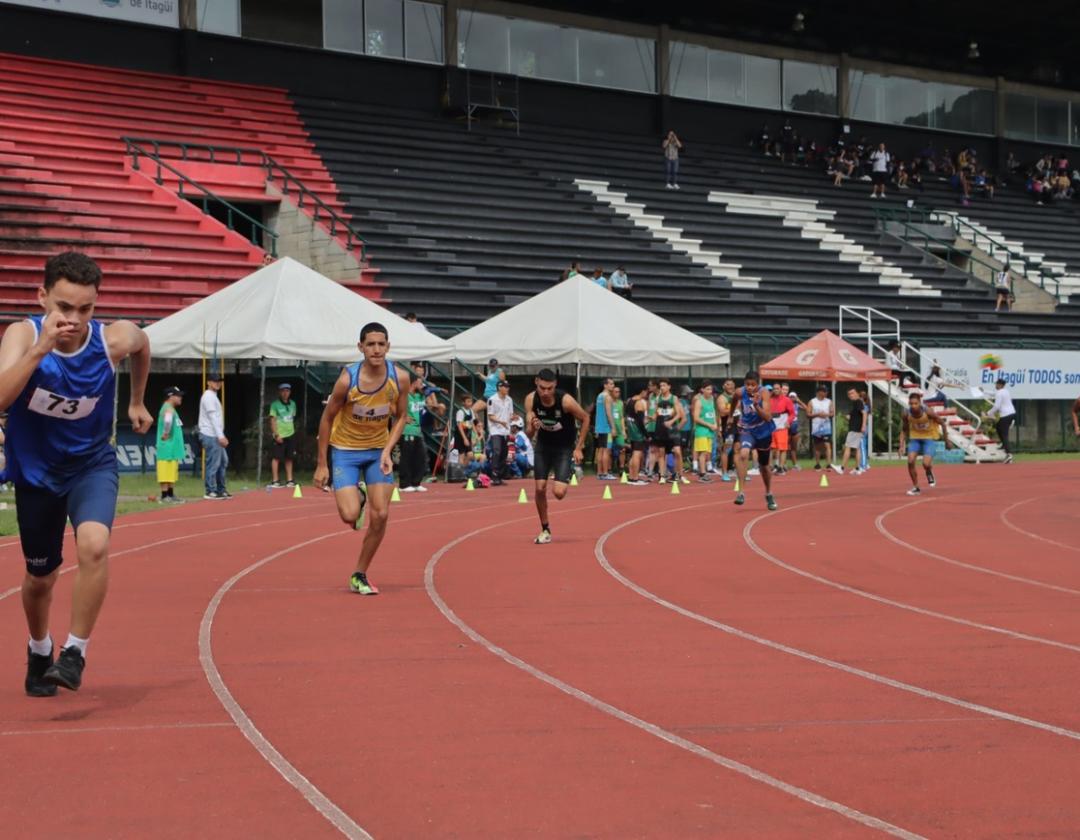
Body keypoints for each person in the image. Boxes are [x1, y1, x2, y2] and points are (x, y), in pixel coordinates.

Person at [0, 251, 152, 695]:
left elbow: (142, 344)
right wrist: (41, 349)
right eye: (64, 307)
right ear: (43, 297)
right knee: (40, 578)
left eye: (85, 309)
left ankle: (74, 652)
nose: (74, 318)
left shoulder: (112, 339)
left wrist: (137, 399)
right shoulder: (21, 334)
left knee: (95, 544)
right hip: (36, 473)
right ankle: (39, 646)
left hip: (90, 463)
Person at [314, 322, 410, 596]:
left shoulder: (399, 378)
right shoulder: (347, 379)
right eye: (371, 344)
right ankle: (359, 496)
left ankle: (359, 573)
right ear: (361, 347)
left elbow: (401, 415)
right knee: (350, 515)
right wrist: (322, 463)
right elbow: (327, 418)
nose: (376, 350)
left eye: (381, 344)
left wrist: (387, 450)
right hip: (344, 451)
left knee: (381, 515)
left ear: (388, 347)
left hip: (377, 451)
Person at [524, 369, 590, 544]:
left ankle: (572, 470)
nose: (545, 392)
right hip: (543, 447)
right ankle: (545, 529)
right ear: (536, 383)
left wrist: (579, 447)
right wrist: (532, 426)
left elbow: (585, 418)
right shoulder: (531, 400)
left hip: (564, 448)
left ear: (555, 385)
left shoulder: (566, 401)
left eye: (550, 388)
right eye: (542, 388)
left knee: (559, 493)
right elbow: (529, 434)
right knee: (539, 488)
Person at [732, 371, 777, 510]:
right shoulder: (740, 392)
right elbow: (734, 399)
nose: (750, 387)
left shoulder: (764, 393)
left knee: (764, 466)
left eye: (753, 385)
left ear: (758, 384)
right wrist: (730, 416)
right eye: (747, 385)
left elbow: (768, 417)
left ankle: (768, 493)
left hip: (763, 432)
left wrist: (757, 405)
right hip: (747, 429)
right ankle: (741, 492)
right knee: (743, 454)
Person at [899, 392, 945, 495]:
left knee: (926, 464)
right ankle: (916, 487)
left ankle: (928, 471)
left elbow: (942, 423)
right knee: (910, 461)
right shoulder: (906, 413)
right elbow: (904, 429)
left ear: (920, 403)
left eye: (915, 403)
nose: (913, 406)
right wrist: (901, 445)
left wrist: (947, 440)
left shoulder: (928, 412)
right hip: (915, 438)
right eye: (911, 404)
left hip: (929, 438)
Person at [198, 373, 230, 500]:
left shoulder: (213, 396)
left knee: (223, 461)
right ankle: (210, 490)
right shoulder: (208, 397)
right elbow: (213, 418)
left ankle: (220, 489)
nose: (218, 383)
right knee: (214, 463)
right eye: (215, 381)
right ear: (208, 382)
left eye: (220, 381)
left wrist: (220, 435)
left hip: (214, 434)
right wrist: (221, 436)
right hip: (210, 434)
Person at [651, 379, 686, 483]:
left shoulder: (674, 398)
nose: (662, 387)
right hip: (660, 427)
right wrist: (651, 417)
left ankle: (679, 474)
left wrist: (671, 422)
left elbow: (679, 414)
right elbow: (657, 412)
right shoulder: (658, 398)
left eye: (664, 385)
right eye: (661, 386)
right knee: (661, 453)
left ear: (669, 387)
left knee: (677, 452)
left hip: (672, 429)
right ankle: (662, 475)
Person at [155, 386, 185, 504]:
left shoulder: (171, 408)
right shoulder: (168, 408)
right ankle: (164, 496)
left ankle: (171, 494)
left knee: (171, 472)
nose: (180, 398)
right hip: (167, 447)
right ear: (171, 396)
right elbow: (168, 420)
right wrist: (166, 432)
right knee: (165, 471)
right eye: (178, 395)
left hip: (172, 447)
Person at [399, 373, 428, 492]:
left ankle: (416, 482)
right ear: (414, 382)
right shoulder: (404, 396)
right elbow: (392, 408)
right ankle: (404, 484)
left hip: (418, 431)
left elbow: (426, 405)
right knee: (407, 457)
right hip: (407, 430)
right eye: (420, 383)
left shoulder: (419, 396)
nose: (422, 385)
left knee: (421, 457)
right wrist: (401, 417)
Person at [268, 382, 298, 488]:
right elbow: (273, 420)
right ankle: (275, 480)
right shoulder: (275, 404)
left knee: (289, 457)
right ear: (280, 392)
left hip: (290, 433)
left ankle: (290, 480)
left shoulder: (293, 404)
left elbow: (292, 417)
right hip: (280, 434)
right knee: (276, 457)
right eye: (283, 391)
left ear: (290, 392)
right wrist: (276, 434)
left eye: (287, 391)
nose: (285, 393)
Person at [833, 388, 866, 475]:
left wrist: (863, 425)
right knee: (857, 448)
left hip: (855, 428)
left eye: (853, 393)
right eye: (849, 394)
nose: (851, 395)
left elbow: (864, 413)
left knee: (848, 447)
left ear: (857, 393)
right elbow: (855, 416)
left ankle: (842, 468)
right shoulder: (855, 403)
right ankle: (857, 468)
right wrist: (847, 417)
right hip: (856, 428)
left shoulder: (858, 402)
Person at [487, 378, 513, 485]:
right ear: (499, 387)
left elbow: (510, 413)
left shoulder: (509, 400)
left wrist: (512, 418)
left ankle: (500, 475)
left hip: (505, 430)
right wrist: (500, 421)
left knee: (504, 453)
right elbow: (490, 416)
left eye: (508, 387)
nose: (507, 389)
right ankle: (494, 475)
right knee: (497, 451)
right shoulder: (492, 399)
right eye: (505, 387)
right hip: (495, 430)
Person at [691, 380, 718, 482]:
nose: (710, 391)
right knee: (702, 452)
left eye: (711, 389)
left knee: (707, 452)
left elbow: (713, 413)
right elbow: (696, 418)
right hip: (701, 430)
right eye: (707, 389)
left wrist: (715, 423)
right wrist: (709, 425)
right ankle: (702, 473)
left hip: (710, 431)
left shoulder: (711, 399)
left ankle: (704, 471)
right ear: (702, 390)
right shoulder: (699, 401)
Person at [985, 377, 1016, 464]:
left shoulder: (999, 393)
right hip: (1012, 413)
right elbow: (993, 393)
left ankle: (1009, 455)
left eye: (997, 384)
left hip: (1006, 415)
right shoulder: (1005, 391)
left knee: (1004, 434)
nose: (996, 385)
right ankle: (1004, 445)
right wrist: (983, 391)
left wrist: (988, 413)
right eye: (996, 384)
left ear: (1001, 385)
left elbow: (997, 406)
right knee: (998, 427)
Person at [625, 385, 650, 485]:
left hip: (631, 429)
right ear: (642, 391)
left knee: (633, 454)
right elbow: (640, 422)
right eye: (646, 392)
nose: (646, 394)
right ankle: (635, 478)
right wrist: (646, 434)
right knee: (637, 454)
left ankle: (631, 476)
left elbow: (629, 415)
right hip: (637, 431)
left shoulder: (629, 401)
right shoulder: (639, 403)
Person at [769, 385, 796, 475]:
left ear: (780, 389)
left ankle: (781, 467)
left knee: (782, 448)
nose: (776, 390)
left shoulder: (786, 400)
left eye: (777, 388)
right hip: (771, 426)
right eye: (774, 388)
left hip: (782, 427)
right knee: (771, 448)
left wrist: (788, 422)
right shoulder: (769, 399)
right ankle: (772, 466)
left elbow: (792, 413)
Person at [594, 377, 616, 480]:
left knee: (601, 450)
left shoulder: (599, 396)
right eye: (611, 384)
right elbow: (608, 413)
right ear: (605, 385)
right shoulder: (608, 397)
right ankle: (605, 473)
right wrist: (613, 427)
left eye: (613, 384)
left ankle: (599, 472)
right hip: (606, 427)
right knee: (606, 451)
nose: (613, 386)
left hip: (599, 427)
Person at [808, 385, 834, 469]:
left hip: (826, 427)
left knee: (827, 445)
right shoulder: (812, 401)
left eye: (826, 391)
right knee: (817, 446)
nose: (826, 393)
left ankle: (829, 464)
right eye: (824, 391)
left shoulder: (829, 401)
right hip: (816, 427)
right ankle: (817, 464)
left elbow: (832, 413)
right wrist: (817, 414)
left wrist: (826, 414)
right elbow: (808, 414)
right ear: (819, 392)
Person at [454, 394, 478, 468]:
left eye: (471, 401)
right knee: (461, 454)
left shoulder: (471, 411)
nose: (470, 403)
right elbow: (459, 426)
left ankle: (463, 470)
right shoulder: (460, 412)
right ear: (463, 403)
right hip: (461, 435)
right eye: (468, 401)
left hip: (468, 434)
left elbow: (472, 424)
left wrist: (475, 434)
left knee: (470, 455)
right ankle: (459, 473)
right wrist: (464, 439)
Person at [610, 384, 627, 475]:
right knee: (609, 450)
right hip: (610, 429)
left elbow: (622, 418)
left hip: (619, 429)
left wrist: (624, 430)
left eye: (619, 392)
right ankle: (609, 468)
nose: (618, 393)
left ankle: (621, 468)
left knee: (622, 449)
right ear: (612, 392)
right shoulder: (608, 402)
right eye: (616, 391)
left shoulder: (620, 403)